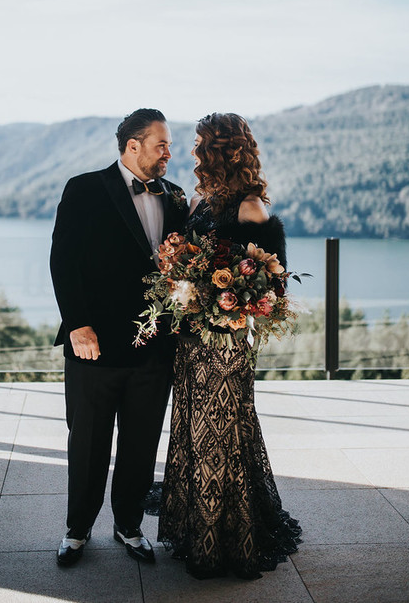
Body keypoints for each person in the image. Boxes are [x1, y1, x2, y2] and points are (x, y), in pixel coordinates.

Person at [157, 112, 302, 580]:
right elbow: (185, 258)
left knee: (220, 434)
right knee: (194, 431)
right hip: (192, 339)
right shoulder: (200, 197)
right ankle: (196, 527)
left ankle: (223, 544)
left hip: (227, 343)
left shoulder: (250, 207)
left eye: (200, 144)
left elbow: (272, 287)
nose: (192, 151)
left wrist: (225, 302)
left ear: (220, 149)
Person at [50, 108, 188, 568]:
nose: (170, 151)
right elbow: (63, 260)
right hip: (96, 344)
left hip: (156, 348)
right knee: (87, 441)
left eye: (169, 144)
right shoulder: (85, 188)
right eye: (161, 143)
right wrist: (76, 323)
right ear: (133, 145)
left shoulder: (176, 197)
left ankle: (129, 526)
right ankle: (77, 530)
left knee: (141, 442)